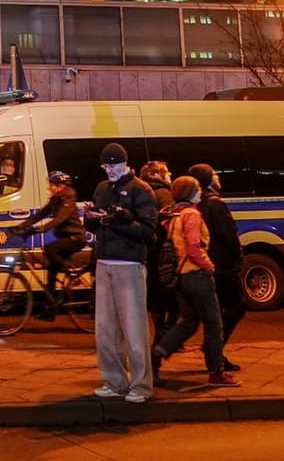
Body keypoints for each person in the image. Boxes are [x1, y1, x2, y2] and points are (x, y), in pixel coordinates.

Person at [152, 176, 237, 388]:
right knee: (213, 323)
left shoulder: (171, 214)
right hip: (196, 275)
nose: (200, 192)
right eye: (197, 189)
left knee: (189, 322)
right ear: (190, 193)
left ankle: (159, 351)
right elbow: (193, 246)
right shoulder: (191, 215)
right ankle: (216, 372)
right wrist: (208, 265)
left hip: (178, 278)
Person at [89, 142, 158, 403]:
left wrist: (123, 219)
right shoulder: (102, 189)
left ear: (125, 163)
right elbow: (96, 225)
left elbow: (148, 231)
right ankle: (114, 381)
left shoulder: (141, 189)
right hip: (105, 261)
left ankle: (141, 385)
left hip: (129, 264)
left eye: (114, 165)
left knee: (134, 328)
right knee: (104, 329)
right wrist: (93, 220)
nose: (110, 170)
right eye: (106, 165)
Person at [189, 162, 246, 366]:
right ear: (208, 179)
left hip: (207, 266)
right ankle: (215, 350)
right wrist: (238, 255)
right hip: (223, 266)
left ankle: (215, 351)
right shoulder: (216, 204)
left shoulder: (195, 204)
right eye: (215, 174)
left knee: (216, 310)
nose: (218, 178)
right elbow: (228, 235)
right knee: (235, 307)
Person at [14, 171, 88, 321]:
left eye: (52, 185)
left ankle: (70, 271)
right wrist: (20, 227)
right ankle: (50, 310)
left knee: (49, 249)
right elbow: (39, 215)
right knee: (51, 272)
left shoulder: (67, 197)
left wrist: (43, 228)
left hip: (75, 238)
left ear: (60, 186)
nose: (50, 188)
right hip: (65, 237)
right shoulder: (56, 199)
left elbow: (62, 217)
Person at [140, 159, 177, 333]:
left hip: (147, 246)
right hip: (162, 246)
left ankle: (161, 330)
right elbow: (170, 217)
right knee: (170, 290)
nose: (170, 175)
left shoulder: (139, 190)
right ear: (155, 175)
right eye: (166, 171)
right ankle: (167, 332)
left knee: (154, 289)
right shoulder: (162, 192)